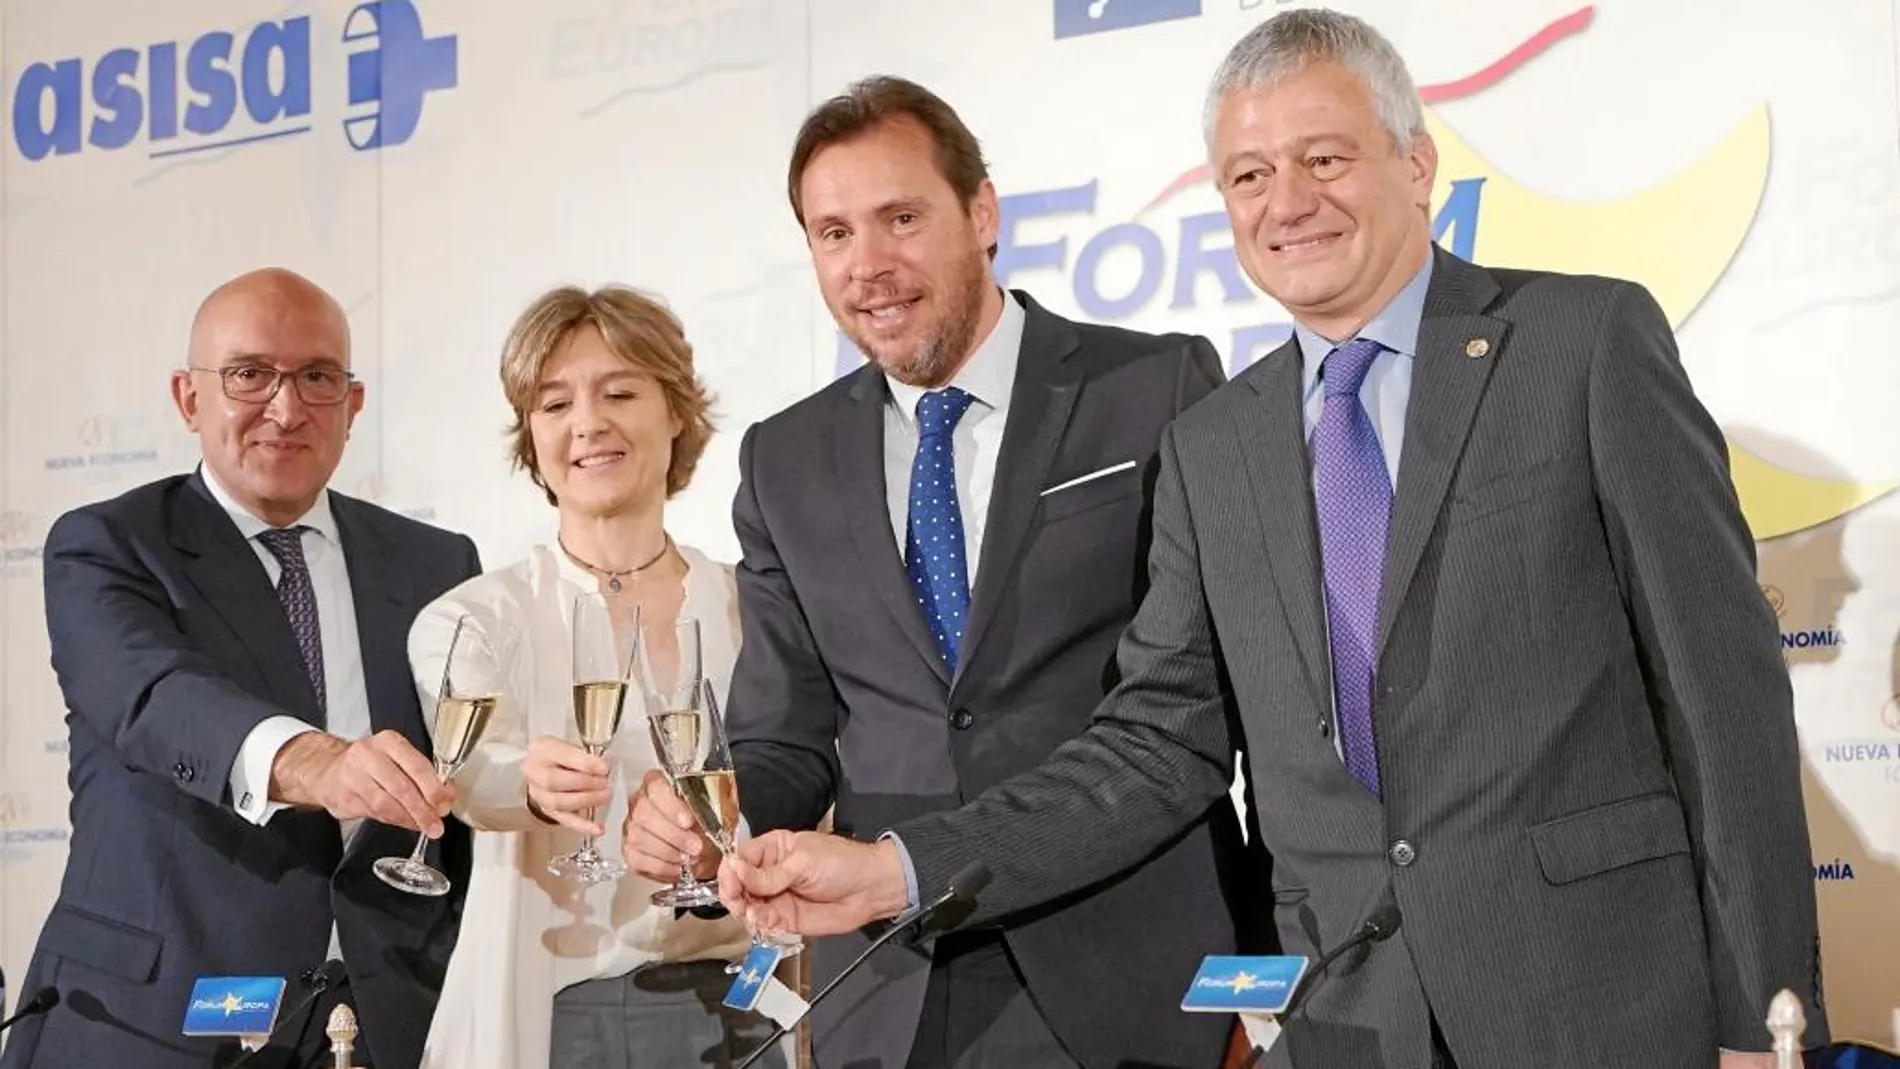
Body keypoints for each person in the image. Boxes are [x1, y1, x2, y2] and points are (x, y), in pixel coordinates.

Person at [718, 12, 1829, 1069]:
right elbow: (1157, 741)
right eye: (1249, 176)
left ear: (1415, 163)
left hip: (1596, 997)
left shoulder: (1580, 344)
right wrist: (894, 871)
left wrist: (1762, 1008)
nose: (1285, 202)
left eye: (1324, 159)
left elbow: (1718, 694)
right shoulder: (1214, 442)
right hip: (1347, 1014)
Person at [621, 76, 1257, 1069]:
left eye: (900, 218)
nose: (868, 266)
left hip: (1127, 963)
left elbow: (1187, 717)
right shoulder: (783, 459)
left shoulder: (1153, 387)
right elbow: (783, 733)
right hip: (885, 986)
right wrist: (723, 817)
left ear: (983, 212)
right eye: (832, 234)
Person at [0, 268, 481, 1069]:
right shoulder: (106, 545)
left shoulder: (437, 562)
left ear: (353, 406)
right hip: (153, 1023)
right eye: (250, 374)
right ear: (189, 398)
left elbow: (470, 774)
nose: (285, 408)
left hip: (381, 1026)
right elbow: (155, 696)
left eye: (318, 377)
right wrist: (317, 761)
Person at [406, 284, 786, 1069]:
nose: (587, 423)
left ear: (676, 411)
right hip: (550, 1010)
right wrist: (533, 783)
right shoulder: (472, 618)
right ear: (531, 438)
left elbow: (804, 794)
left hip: (735, 1002)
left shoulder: (756, 607)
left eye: (620, 392)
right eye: (553, 404)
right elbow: (471, 772)